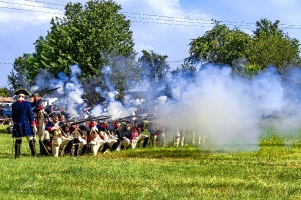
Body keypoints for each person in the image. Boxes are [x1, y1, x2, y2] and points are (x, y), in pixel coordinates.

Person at [11, 89, 37, 158]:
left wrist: (15, 122)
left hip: (17, 124)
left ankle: (17, 156)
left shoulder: (14, 105)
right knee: (30, 138)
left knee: (18, 139)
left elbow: (13, 116)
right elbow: (30, 114)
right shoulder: (27, 103)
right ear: (24, 96)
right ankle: (34, 154)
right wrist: (33, 123)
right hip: (25, 124)